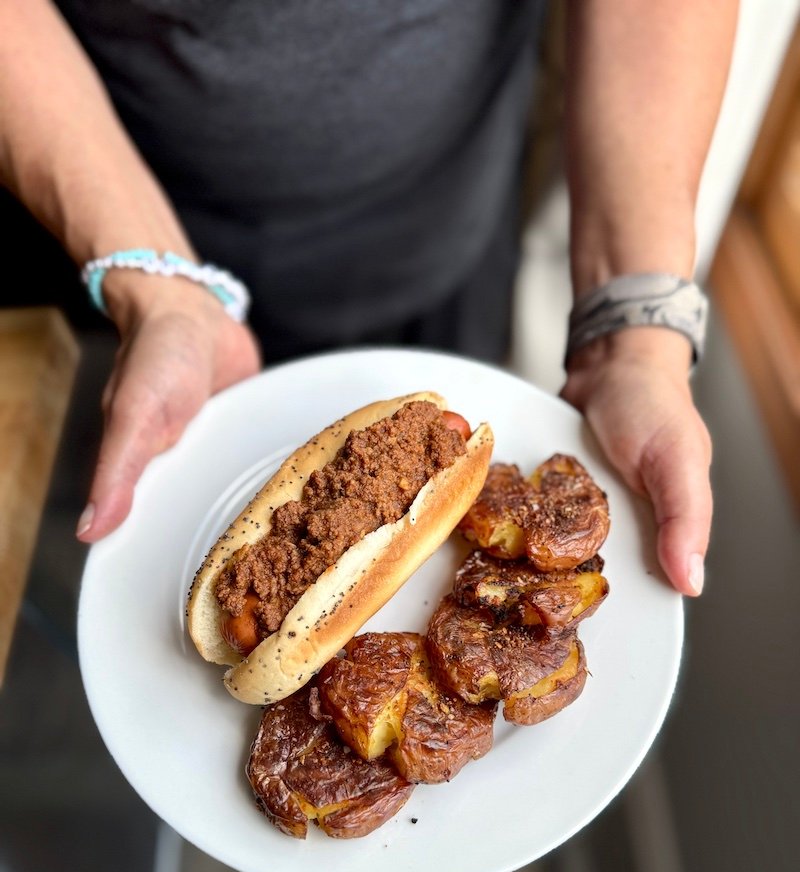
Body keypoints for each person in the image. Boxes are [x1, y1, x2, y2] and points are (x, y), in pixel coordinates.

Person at [0, 1, 739, 597]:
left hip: (440, 242)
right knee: (111, 572)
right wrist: (156, 292)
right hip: (115, 260)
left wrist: (633, 340)